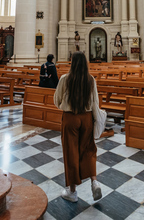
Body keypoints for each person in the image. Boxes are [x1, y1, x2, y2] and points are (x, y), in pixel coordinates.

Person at [54, 52, 102, 203]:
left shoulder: (65, 79)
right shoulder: (90, 80)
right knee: (88, 149)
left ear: (72, 63)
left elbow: (57, 100)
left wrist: (65, 104)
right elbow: (95, 102)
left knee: (71, 152)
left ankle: (72, 191)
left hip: (71, 119)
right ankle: (94, 182)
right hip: (87, 118)